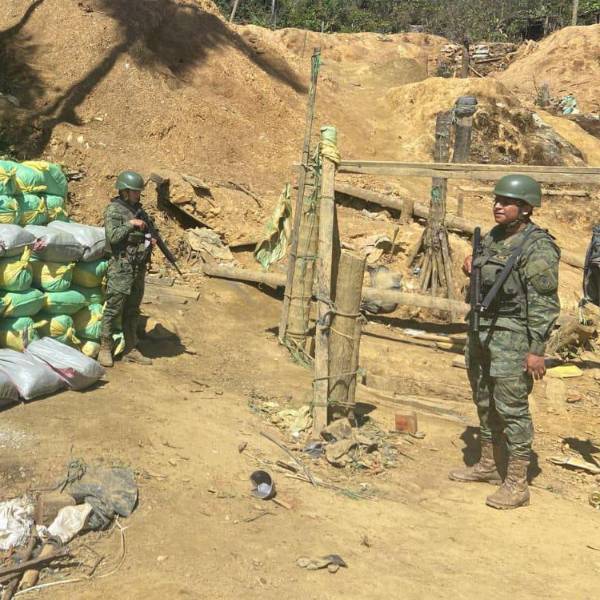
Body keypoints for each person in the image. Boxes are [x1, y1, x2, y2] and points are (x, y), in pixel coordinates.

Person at [449, 174, 560, 509]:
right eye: (496, 200)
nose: (498, 206)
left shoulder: (538, 247)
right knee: (484, 399)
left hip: (513, 335)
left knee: (512, 408)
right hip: (481, 329)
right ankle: (488, 464)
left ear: (525, 208)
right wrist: (471, 265)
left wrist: (536, 350)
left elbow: (544, 304)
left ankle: (517, 483)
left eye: (506, 202)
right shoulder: (494, 236)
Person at [98, 170, 154, 368]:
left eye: (139, 192)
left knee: (133, 309)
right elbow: (113, 237)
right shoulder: (114, 210)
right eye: (135, 191)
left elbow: (146, 235)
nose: (138, 195)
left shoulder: (139, 211)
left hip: (138, 267)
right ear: (124, 191)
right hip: (121, 267)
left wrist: (149, 241)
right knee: (113, 308)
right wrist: (130, 224)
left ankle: (131, 348)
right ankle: (105, 348)